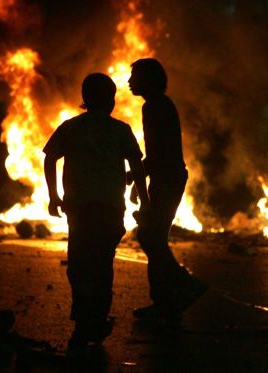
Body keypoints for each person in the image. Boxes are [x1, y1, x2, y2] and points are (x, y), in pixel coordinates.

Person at [44, 73, 150, 351]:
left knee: (79, 266)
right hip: (109, 209)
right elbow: (137, 166)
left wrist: (54, 196)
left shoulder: (71, 127)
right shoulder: (121, 130)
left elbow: (50, 158)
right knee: (102, 265)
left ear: (85, 100)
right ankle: (97, 319)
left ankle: (83, 321)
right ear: (111, 100)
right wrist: (145, 199)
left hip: (79, 209)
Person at [128, 58, 207, 321]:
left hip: (168, 178)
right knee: (152, 237)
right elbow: (156, 153)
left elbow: (157, 152)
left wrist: (139, 179)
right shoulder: (159, 105)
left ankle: (184, 285)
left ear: (147, 79)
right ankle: (165, 302)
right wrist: (138, 179)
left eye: (134, 76)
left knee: (150, 237)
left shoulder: (154, 107)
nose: (129, 82)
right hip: (167, 177)